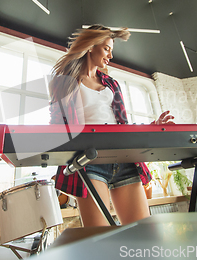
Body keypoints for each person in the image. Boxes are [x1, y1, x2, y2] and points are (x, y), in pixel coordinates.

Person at [48, 25, 175, 227]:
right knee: (100, 238)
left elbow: (122, 124)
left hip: (124, 159)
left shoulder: (111, 83)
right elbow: (56, 125)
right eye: (107, 48)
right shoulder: (65, 82)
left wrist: (152, 126)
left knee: (142, 233)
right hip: (89, 161)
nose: (111, 55)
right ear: (91, 46)